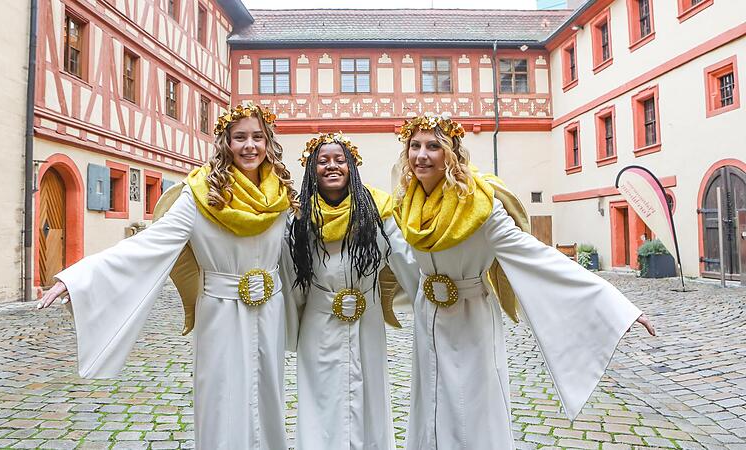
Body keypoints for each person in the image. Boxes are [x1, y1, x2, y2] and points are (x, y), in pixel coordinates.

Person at [37, 103, 299, 449]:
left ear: (268, 143)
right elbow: (150, 242)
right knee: (221, 395)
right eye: (239, 138)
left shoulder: (281, 194)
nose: (249, 146)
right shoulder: (201, 194)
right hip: (220, 310)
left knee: (268, 392)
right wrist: (78, 277)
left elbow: (299, 253)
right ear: (226, 143)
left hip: (270, 310)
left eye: (257, 137)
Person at [391, 114, 656, 449]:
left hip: (470, 317)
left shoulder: (479, 206)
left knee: (468, 406)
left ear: (450, 153)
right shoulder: (407, 204)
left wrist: (615, 304)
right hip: (427, 316)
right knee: (429, 400)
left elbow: (533, 253)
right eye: (415, 146)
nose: (422, 155)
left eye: (433, 146)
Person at [284, 132, 419, 450]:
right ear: (311, 169)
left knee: (369, 399)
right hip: (319, 325)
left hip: (367, 323)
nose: (332, 165)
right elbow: (291, 277)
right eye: (323, 160)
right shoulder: (299, 216)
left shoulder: (376, 209)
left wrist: (433, 292)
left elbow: (403, 258)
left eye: (339, 159)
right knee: (321, 402)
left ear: (351, 166)